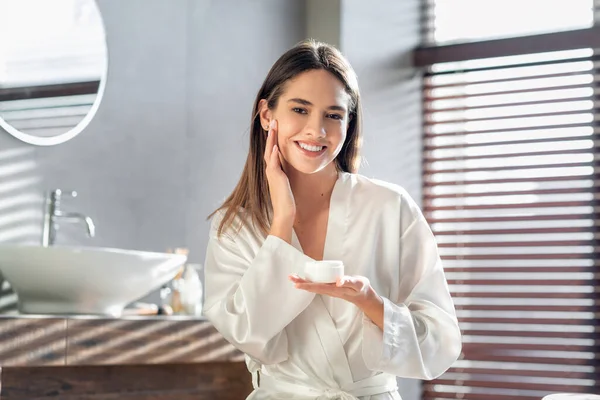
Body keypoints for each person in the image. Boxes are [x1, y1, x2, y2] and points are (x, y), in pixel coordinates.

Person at [202, 39, 462, 400]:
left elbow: (440, 342)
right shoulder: (235, 228)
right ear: (266, 115)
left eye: (333, 115)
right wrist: (283, 222)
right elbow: (248, 334)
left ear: (348, 122)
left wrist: (369, 301)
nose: (316, 131)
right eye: (300, 109)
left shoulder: (389, 207)